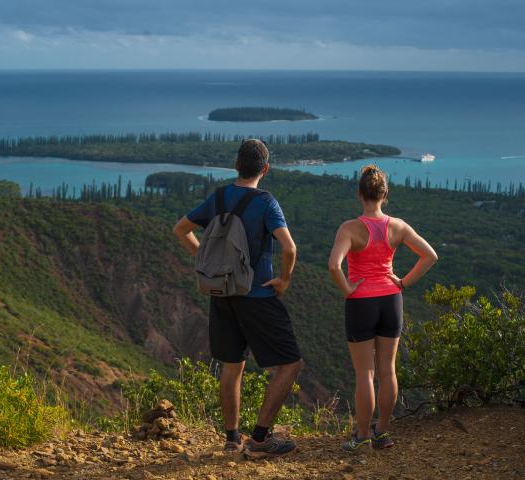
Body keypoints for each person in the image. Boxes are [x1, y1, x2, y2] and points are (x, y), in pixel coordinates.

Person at [173, 139, 303, 458]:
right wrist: (284, 279)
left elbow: (181, 229)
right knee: (289, 365)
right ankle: (259, 439)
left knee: (233, 366)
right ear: (265, 169)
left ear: (236, 165)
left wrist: (206, 264)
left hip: (222, 295)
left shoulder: (219, 197)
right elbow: (289, 248)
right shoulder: (266, 202)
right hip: (257, 295)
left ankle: (232, 439)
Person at [328, 164, 438, 452]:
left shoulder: (350, 228)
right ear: (384, 194)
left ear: (359, 194)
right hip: (391, 301)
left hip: (361, 303)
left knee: (365, 373)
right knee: (387, 370)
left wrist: (348, 289)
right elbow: (430, 256)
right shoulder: (398, 226)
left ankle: (362, 435)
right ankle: (382, 434)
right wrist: (403, 283)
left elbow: (333, 265)